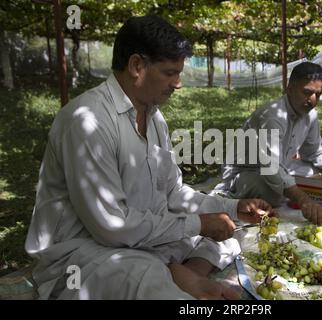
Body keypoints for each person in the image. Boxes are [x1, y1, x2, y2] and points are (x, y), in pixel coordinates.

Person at [25, 15, 274, 300]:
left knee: (230, 237)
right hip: (85, 254)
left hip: (141, 239)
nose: (178, 84)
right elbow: (111, 226)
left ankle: (185, 274)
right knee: (147, 278)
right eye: (170, 73)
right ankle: (176, 278)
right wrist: (199, 223)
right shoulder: (87, 122)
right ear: (137, 66)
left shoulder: (154, 118)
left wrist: (233, 207)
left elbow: (173, 192)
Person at [214, 62, 322, 225]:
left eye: (318, 95)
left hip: (281, 166)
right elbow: (271, 168)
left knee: (315, 173)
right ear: (289, 88)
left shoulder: (310, 115)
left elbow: (315, 152)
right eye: (307, 92)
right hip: (245, 172)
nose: (312, 100)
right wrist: (303, 199)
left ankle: (291, 188)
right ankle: (235, 196)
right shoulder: (273, 116)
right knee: (275, 192)